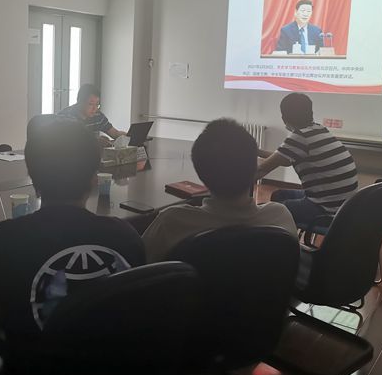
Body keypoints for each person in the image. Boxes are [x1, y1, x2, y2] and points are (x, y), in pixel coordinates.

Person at [0, 119, 144, 339]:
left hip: (34, 360)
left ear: (32, 178)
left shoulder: (3, 240)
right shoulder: (126, 236)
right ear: (94, 179)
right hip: (113, 358)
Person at [142, 119, 295, 263]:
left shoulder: (171, 223)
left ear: (200, 173)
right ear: (254, 169)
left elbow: (139, 267)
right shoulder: (280, 217)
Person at [256, 93, 358, 227]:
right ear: (311, 113)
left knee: (269, 211)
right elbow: (284, 159)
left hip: (326, 210)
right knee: (278, 195)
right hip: (345, 205)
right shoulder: (319, 129)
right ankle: (287, 233)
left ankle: (283, 236)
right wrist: (257, 152)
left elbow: (261, 170)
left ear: (284, 118)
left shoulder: (300, 137)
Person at [58, 84, 127, 143]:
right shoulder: (65, 117)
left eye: (97, 104)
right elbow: (66, 142)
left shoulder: (98, 116)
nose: (95, 108)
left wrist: (129, 136)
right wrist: (95, 141)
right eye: (91, 104)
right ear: (80, 102)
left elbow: (115, 133)